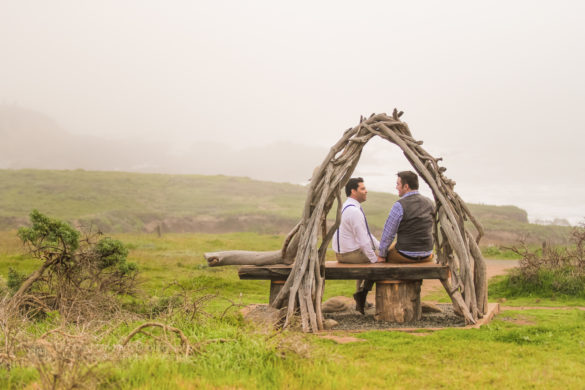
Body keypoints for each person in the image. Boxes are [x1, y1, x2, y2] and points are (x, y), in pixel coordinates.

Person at [332, 177, 382, 314]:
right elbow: (364, 240)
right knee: (381, 261)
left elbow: (367, 235)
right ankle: (362, 294)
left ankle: (361, 298)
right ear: (353, 191)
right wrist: (375, 258)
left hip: (342, 254)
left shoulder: (347, 207)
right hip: (349, 255)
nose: (366, 191)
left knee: (372, 254)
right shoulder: (354, 211)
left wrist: (381, 247)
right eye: (362, 189)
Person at [377, 171, 435, 264]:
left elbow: (388, 234)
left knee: (387, 255)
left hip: (406, 256)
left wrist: (381, 255)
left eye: (398, 184)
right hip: (427, 255)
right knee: (395, 244)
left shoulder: (399, 205)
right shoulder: (429, 202)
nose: (396, 187)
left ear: (406, 186)